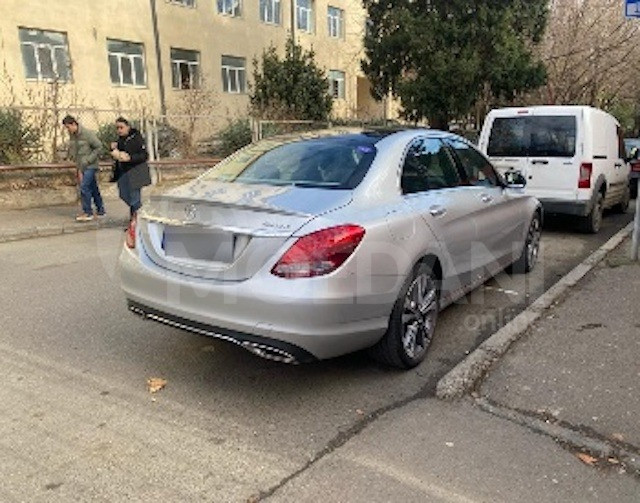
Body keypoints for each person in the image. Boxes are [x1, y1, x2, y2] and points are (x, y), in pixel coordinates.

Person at [62, 115, 105, 221]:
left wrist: (89, 160)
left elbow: (99, 146)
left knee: (84, 187)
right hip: (81, 165)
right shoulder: (73, 136)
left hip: (90, 165)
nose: (67, 130)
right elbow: (74, 149)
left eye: (68, 127)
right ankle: (101, 210)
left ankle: (87, 212)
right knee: (93, 188)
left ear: (74, 124)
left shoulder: (87, 134)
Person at [110, 117, 151, 220]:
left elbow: (144, 155)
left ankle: (136, 221)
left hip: (136, 171)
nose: (119, 130)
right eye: (117, 128)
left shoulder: (136, 138)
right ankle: (140, 212)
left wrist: (130, 158)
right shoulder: (120, 140)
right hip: (123, 172)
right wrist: (113, 149)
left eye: (121, 127)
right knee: (123, 194)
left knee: (134, 198)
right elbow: (117, 155)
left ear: (128, 127)